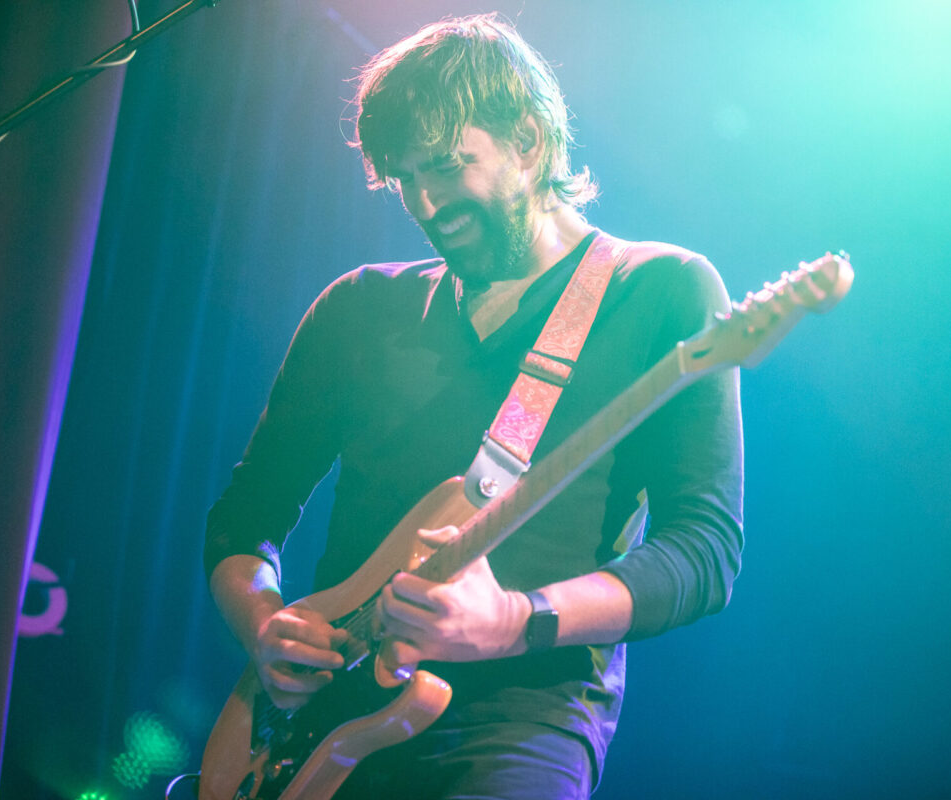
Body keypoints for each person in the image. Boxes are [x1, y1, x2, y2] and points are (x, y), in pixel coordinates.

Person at [203, 13, 743, 799]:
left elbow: (704, 549)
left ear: (527, 142)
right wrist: (266, 629)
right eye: (404, 179)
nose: (425, 203)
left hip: (520, 723)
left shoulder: (658, 293)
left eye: (448, 167)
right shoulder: (359, 307)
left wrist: (517, 618)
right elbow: (246, 515)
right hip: (316, 723)